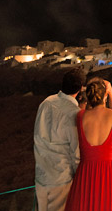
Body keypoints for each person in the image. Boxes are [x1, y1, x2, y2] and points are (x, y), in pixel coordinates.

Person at [64, 79, 112, 211]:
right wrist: (110, 90)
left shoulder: (80, 116)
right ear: (105, 96)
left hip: (85, 176)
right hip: (108, 175)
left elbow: (85, 108)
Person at [33, 68, 85, 211]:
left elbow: (37, 136)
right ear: (80, 89)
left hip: (41, 175)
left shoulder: (46, 103)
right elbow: (76, 152)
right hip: (61, 177)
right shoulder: (74, 113)